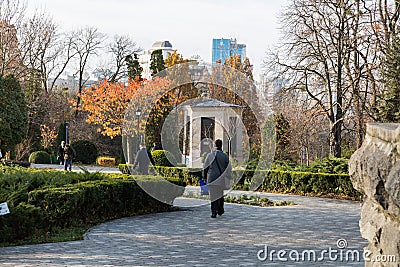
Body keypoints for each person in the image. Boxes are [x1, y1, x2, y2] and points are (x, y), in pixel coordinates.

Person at [203, 139, 232, 218]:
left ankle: (213, 212)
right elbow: (228, 168)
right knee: (220, 194)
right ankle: (220, 209)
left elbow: (205, 167)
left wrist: (204, 177)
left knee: (213, 196)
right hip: (221, 178)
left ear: (215, 145)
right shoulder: (225, 156)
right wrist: (229, 177)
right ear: (221, 146)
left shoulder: (210, 155)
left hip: (212, 178)